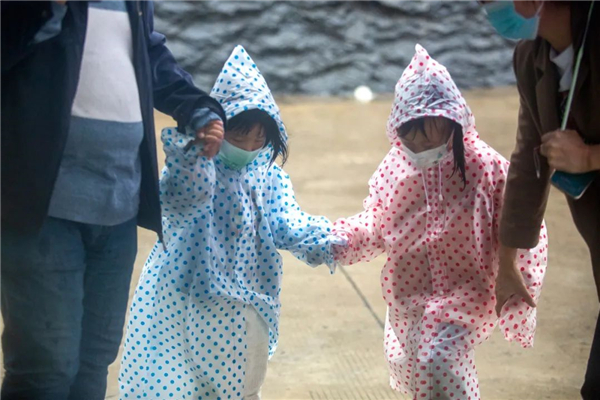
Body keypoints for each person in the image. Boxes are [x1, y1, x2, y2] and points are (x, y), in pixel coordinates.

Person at [1, 1, 226, 399]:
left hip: (118, 205)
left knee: (95, 359)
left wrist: (197, 108)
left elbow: (148, 53)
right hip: (41, 207)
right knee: (46, 366)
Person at [118, 45, 345, 400]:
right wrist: (192, 153)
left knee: (241, 390)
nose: (250, 147)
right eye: (240, 136)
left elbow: (287, 222)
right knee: (171, 385)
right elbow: (180, 197)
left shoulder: (269, 178)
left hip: (243, 307)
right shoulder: (198, 168)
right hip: (183, 299)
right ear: (220, 129)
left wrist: (332, 239)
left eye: (260, 139)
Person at [331, 44, 547, 400]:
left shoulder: (485, 167)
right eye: (410, 138)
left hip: (466, 293)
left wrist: (519, 277)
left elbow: (522, 223)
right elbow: (376, 222)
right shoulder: (395, 169)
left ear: (452, 122)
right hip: (410, 295)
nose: (420, 147)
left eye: (429, 134)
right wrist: (342, 240)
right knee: (424, 371)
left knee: (441, 361)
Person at [482, 1, 600, 398]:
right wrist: (506, 261)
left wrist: (590, 157)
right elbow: (527, 159)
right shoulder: (531, 58)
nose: (488, 10)